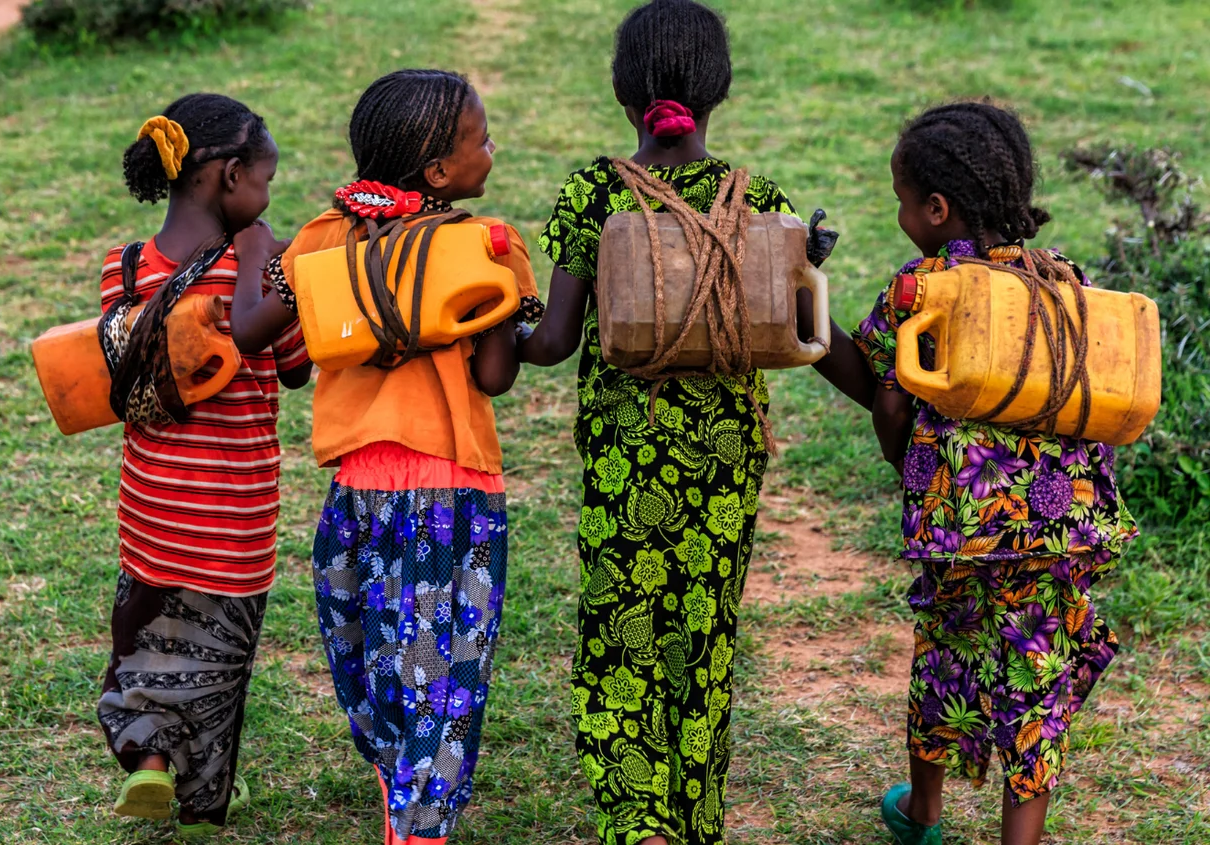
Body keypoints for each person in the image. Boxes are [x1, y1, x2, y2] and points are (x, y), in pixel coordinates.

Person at [518, 2, 872, 843]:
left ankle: (637, 818)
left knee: (620, 629)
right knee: (703, 629)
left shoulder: (592, 193)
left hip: (625, 458)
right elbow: (806, 333)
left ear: (620, 90)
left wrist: (499, 327)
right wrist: (888, 397)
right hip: (723, 460)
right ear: (718, 90)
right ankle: (693, 814)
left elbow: (556, 341)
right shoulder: (758, 200)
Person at [231, 69, 543, 844]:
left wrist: (252, 252)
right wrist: (495, 294)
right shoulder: (484, 245)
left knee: (364, 651)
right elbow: (496, 376)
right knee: (438, 669)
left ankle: (417, 815)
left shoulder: (320, 239)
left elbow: (250, 331)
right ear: (439, 173)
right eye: (482, 137)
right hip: (452, 491)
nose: (492, 147)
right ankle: (414, 783)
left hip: (357, 489)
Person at [852, 100, 1138, 845]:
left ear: (939, 209)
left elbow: (885, 391)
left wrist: (897, 451)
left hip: (965, 532)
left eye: (904, 204)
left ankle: (923, 814)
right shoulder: (1062, 279)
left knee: (944, 655)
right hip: (1057, 522)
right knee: (1036, 681)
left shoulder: (925, 288)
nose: (902, 219)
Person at [96, 93, 312, 839]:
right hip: (234, 521)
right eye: (265, 179)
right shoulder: (259, 269)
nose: (267, 194)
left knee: (146, 650)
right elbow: (293, 366)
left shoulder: (121, 271)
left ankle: (150, 764)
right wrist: (270, 269)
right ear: (225, 177)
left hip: (152, 515)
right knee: (216, 671)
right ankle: (200, 804)